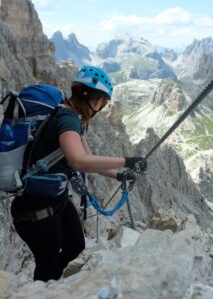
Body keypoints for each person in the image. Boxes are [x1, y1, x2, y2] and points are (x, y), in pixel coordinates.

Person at [10, 65, 147, 282]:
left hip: (55, 201)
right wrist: (127, 161)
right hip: (35, 209)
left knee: (75, 247)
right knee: (47, 265)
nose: (101, 107)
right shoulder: (67, 119)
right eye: (101, 100)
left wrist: (119, 175)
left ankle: (54, 288)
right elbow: (78, 160)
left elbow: (89, 157)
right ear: (87, 96)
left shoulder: (73, 118)